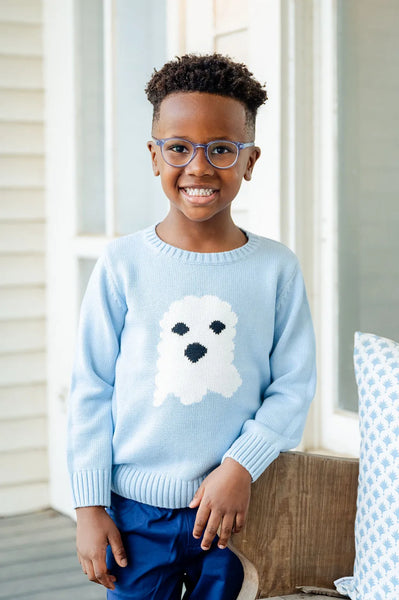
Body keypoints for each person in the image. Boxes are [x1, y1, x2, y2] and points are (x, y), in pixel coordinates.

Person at [67, 53, 316, 600]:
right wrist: (90, 506)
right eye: (179, 148)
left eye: (221, 149)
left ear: (249, 161)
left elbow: (292, 386)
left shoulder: (276, 268)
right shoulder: (122, 264)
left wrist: (240, 467)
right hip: (136, 519)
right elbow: (91, 389)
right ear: (154, 157)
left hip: (236, 514)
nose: (199, 168)